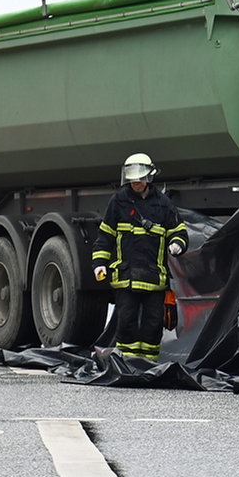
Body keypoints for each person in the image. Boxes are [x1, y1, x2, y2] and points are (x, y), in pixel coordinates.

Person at [92, 153, 189, 361]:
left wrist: (177, 244)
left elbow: (179, 231)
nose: (136, 182)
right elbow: (105, 236)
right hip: (126, 276)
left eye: (140, 177)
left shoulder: (163, 204)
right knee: (126, 320)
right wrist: (99, 263)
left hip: (154, 278)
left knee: (153, 323)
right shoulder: (118, 202)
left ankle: (148, 363)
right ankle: (127, 362)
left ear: (149, 177)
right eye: (132, 177)